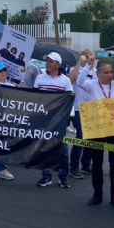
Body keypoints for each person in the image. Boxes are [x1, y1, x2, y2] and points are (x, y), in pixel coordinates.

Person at [77, 60, 114, 209]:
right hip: (97, 128)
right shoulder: (91, 85)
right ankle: (97, 195)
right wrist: (87, 65)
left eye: (111, 72)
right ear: (98, 73)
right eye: (106, 72)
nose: (110, 75)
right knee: (97, 163)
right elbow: (79, 81)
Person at [34, 52, 74, 188]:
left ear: (58, 64)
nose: (48, 64)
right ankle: (46, 177)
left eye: (51, 61)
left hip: (59, 121)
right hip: (45, 120)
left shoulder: (65, 80)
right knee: (44, 148)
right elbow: (34, 98)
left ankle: (63, 177)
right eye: (47, 61)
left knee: (62, 150)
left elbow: (70, 98)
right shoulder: (39, 78)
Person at [68, 50, 97, 178]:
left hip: (91, 108)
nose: (91, 58)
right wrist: (81, 63)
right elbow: (71, 79)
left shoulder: (94, 71)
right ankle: (73, 167)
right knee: (81, 136)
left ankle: (86, 164)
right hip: (78, 108)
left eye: (92, 56)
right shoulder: (76, 68)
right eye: (88, 56)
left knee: (91, 137)